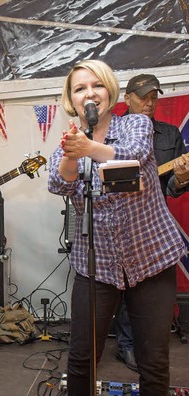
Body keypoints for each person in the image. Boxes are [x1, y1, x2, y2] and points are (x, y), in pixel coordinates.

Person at [47, 60, 185, 395]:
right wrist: (71, 151)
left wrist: (88, 148)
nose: (89, 93)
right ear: (71, 100)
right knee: (81, 357)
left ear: (110, 91)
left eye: (96, 85)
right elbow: (58, 183)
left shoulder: (136, 124)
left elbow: (134, 155)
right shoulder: (69, 143)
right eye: (79, 88)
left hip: (151, 258)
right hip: (97, 265)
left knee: (153, 359)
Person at [113, 73, 189, 373]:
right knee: (122, 287)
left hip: (154, 223)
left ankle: (145, 346)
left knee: (150, 288)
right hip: (118, 223)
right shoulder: (113, 130)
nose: (149, 102)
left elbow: (172, 187)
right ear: (127, 98)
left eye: (154, 96)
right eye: (143, 96)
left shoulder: (170, 135)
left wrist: (182, 176)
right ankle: (126, 345)